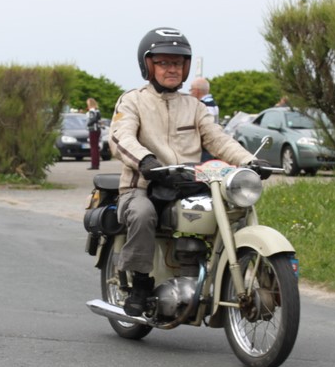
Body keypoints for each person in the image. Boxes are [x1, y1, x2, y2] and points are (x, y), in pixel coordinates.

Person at [109, 27, 271, 316]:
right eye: (163, 62)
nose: (171, 69)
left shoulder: (194, 106)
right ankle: (141, 283)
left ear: (185, 68)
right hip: (142, 186)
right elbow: (120, 137)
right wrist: (146, 161)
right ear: (148, 65)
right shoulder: (132, 100)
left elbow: (218, 139)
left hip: (188, 184)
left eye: (177, 63)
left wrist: (249, 162)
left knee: (232, 209)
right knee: (143, 213)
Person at [85, 97, 102, 170]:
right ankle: (96, 164)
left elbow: (92, 119)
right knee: (96, 148)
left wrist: (88, 124)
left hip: (93, 130)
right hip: (98, 130)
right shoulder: (97, 111)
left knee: (93, 148)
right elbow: (99, 119)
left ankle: (94, 165)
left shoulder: (91, 111)